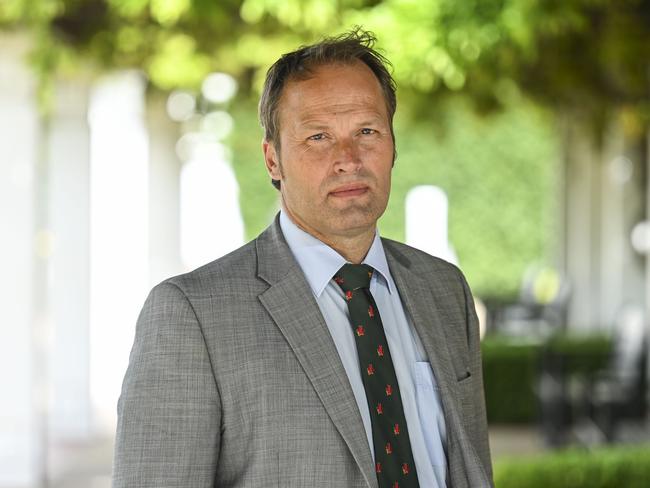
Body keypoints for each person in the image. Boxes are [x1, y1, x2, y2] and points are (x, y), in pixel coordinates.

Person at [113, 29, 493, 488]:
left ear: (393, 145)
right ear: (273, 160)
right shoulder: (191, 316)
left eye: (367, 131)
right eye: (318, 137)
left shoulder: (444, 289)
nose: (348, 159)